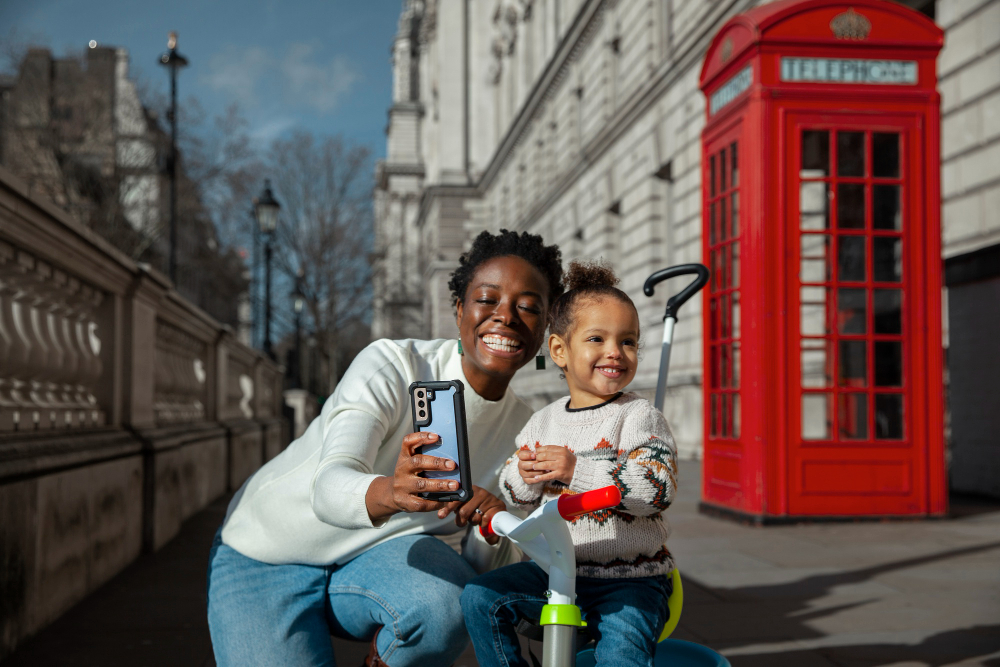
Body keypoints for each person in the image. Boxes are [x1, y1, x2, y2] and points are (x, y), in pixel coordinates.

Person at [207, 229, 564, 667]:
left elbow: (487, 567)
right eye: (487, 300)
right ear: (459, 310)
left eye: (527, 307)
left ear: (545, 327)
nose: (505, 316)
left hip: (377, 557)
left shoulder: (529, 429)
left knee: (450, 605)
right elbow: (329, 485)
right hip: (269, 551)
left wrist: (489, 526)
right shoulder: (394, 364)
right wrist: (391, 492)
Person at [461, 261, 679, 667]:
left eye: (628, 341)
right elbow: (512, 491)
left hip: (627, 578)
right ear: (560, 350)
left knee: (620, 656)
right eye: (597, 338)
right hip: (554, 573)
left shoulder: (637, 417)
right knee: (481, 598)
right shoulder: (543, 421)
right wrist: (522, 477)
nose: (615, 352)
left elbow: (657, 489)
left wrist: (577, 470)